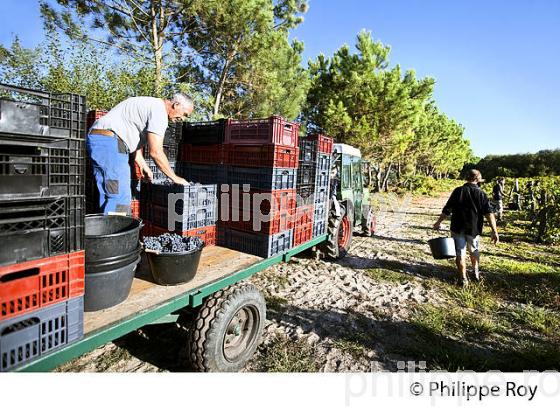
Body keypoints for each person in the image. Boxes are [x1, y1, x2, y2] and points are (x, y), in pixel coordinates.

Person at [87, 93, 193, 214]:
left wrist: (142, 164)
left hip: (102, 141)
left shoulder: (151, 104)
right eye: (185, 114)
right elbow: (156, 152)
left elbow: (130, 134)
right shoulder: (159, 112)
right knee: (119, 197)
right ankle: (117, 230)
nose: (183, 119)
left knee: (110, 193)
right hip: (111, 143)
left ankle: (106, 228)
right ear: (176, 104)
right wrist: (175, 178)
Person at [433, 169, 499, 287]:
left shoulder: (458, 191)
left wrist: (438, 222)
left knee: (460, 253)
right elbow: (489, 213)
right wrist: (494, 231)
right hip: (474, 229)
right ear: (478, 179)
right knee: (474, 250)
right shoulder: (481, 194)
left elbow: (447, 209)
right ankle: (476, 273)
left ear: (466, 178)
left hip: (457, 227)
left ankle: (463, 278)